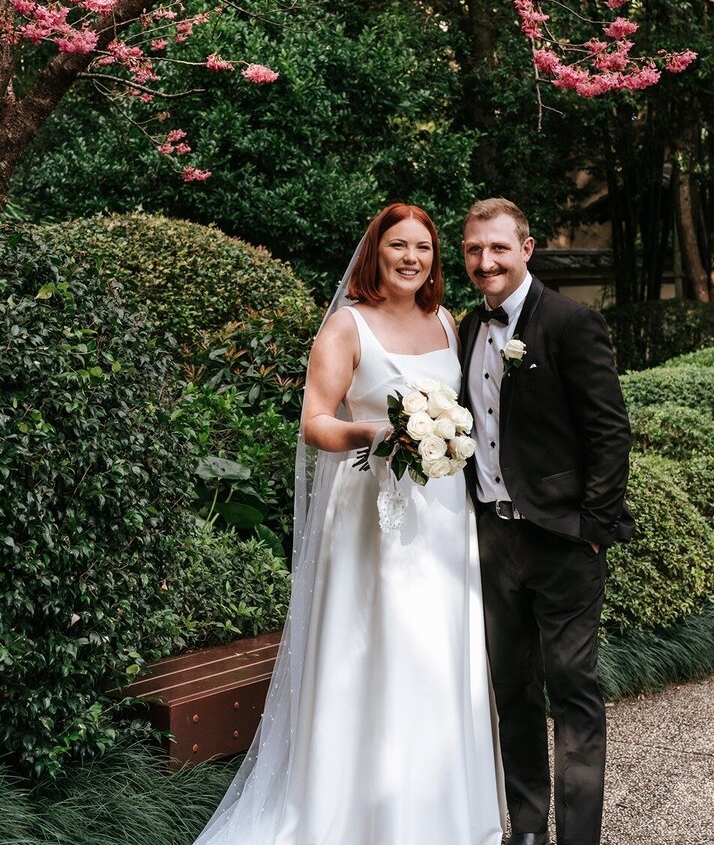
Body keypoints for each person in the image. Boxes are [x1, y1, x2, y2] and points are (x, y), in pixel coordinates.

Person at [192, 202, 503, 845]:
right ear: (376, 252)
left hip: (444, 515)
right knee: (372, 650)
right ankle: (360, 816)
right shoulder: (347, 326)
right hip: (370, 512)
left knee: (439, 652)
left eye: (423, 246)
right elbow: (314, 419)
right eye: (398, 245)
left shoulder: (444, 320)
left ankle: (442, 812)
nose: (411, 258)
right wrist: (374, 432)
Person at [459, 198, 634, 845]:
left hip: (564, 542)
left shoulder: (570, 322)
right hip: (494, 539)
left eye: (499, 248)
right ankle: (527, 827)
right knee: (515, 692)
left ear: (526, 249)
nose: (486, 262)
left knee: (574, 691)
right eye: (475, 250)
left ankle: (578, 838)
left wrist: (592, 526)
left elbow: (610, 433)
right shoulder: (466, 331)